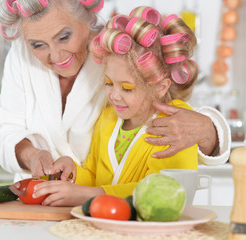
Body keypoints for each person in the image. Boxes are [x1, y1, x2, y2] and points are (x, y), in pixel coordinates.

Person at [0, 0, 230, 183]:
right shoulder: (21, 56)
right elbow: (6, 131)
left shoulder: (118, 53)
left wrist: (209, 131)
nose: (55, 55)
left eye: (64, 37)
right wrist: (32, 155)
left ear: (88, 19)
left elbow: (166, 108)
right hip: (37, 199)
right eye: (38, 45)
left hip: (103, 205)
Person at [32, 8, 204, 206]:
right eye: (108, 83)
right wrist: (73, 173)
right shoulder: (108, 119)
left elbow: (164, 190)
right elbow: (94, 177)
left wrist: (87, 195)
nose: (114, 96)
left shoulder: (177, 125)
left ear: (160, 87)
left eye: (127, 88)